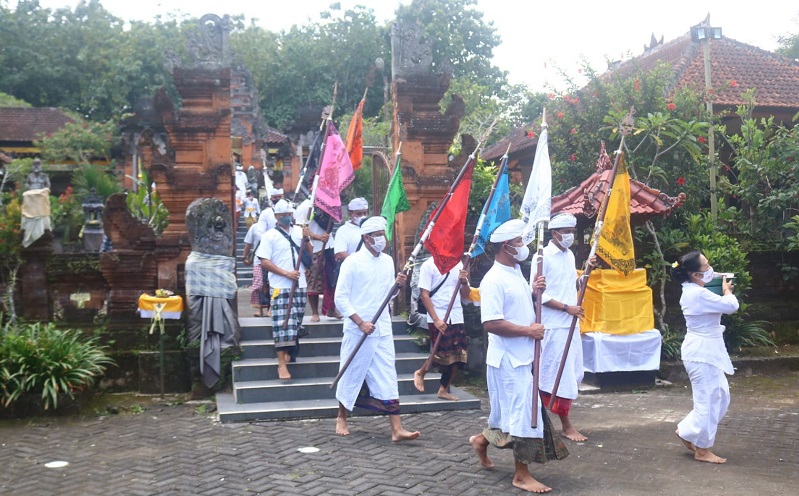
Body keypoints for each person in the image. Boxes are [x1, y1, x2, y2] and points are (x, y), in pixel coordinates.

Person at [469, 218, 568, 494]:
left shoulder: (516, 274)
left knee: (509, 415)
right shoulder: (493, 280)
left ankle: (481, 440)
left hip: (522, 358)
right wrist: (528, 331)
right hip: (508, 361)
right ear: (506, 247)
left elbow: (522, 307)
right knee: (523, 415)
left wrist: (536, 291)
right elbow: (491, 323)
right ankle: (521, 475)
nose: (523, 247)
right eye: (519, 242)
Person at [334, 216, 420, 442]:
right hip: (358, 329)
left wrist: (397, 286)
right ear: (366, 238)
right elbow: (340, 298)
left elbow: (388, 296)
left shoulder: (387, 261)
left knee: (388, 375)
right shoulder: (351, 262)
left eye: (383, 234)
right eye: (378, 235)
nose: (382, 239)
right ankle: (342, 416)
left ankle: (397, 429)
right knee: (351, 371)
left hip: (382, 328)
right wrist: (359, 321)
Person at [672, 250, 738, 464]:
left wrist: (717, 280)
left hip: (707, 350)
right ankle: (702, 449)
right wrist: (727, 291)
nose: (711, 268)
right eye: (706, 266)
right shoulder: (697, 294)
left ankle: (687, 431)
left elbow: (711, 292)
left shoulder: (694, 288)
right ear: (695, 275)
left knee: (721, 395)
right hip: (701, 353)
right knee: (708, 401)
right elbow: (731, 306)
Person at [533, 212, 588, 443]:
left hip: (571, 324)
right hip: (554, 325)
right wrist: (567, 308)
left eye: (572, 232)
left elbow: (567, 284)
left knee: (573, 372)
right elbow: (538, 295)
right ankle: (565, 425)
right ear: (555, 233)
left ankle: (547, 420)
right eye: (566, 232)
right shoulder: (541, 257)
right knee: (557, 375)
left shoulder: (569, 255)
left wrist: (584, 276)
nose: (570, 236)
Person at [256, 199, 311, 380]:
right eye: (283, 215)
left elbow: (309, 253)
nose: (287, 217)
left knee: (296, 322)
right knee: (282, 324)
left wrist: (307, 237)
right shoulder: (269, 235)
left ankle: (290, 352)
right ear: (277, 216)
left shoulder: (298, 231)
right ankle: (281, 363)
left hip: (300, 284)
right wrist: (286, 273)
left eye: (289, 214)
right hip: (281, 285)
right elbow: (264, 261)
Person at [412, 257, 471, 400]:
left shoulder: (458, 263)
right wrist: (436, 319)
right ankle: (421, 372)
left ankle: (443, 390)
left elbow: (465, 294)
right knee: (441, 353)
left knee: (458, 356)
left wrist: (464, 281)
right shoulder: (428, 265)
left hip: (456, 314)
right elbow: (424, 295)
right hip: (438, 314)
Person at [294, 199, 336, 322]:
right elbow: (300, 229)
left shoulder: (329, 203)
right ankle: (315, 312)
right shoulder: (305, 206)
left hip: (330, 246)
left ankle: (331, 308)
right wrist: (318, 237)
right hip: (313, 248)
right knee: (313, 281)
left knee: (332, 280)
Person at [241, 209, 272, 317]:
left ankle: (270, 308)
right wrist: (244, 256)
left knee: (270, 284)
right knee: (258, 285)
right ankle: (259, 309)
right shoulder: (255, 228)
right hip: (258, 260)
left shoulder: (275, 228)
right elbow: (248, 243)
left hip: (272, 260)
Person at [333, 197, 369, 262]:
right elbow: (340, 254)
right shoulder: (343, 231)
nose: (363, 216)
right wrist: (359, 263)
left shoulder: (371, 227)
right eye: (359, 213)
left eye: (365, 213)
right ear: (350, 214)